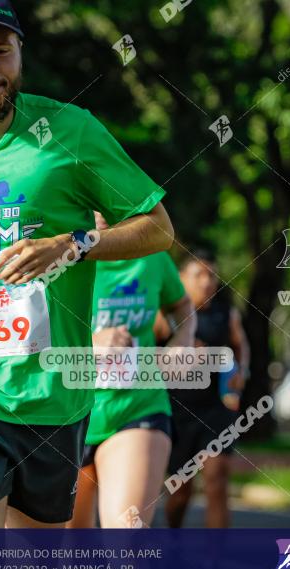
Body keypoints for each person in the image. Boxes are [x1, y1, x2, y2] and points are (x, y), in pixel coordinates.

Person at [0, 1, 174, 529]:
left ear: (20, 57)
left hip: (53, 398)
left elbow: (158, 227)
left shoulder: (68, 130)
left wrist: (72, 245)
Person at [66, 214, 196, 528]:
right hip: (65, 415)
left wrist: (182, 340)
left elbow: (183, 307)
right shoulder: (57, 259)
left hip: (137, 406)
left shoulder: (151, 256)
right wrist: (90, 344)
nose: (101, 211)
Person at [164, 252, 249, 528]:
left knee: (216, 482)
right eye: (198, 275)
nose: (207, 281)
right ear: (181, 279)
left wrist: (241, 372)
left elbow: (241, 345)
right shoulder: (164, 315)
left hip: (215, 410)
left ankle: (215, 568)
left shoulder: (226, 314)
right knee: (180, 491)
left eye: (211, 275)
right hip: (174, 410)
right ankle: (173, 537)